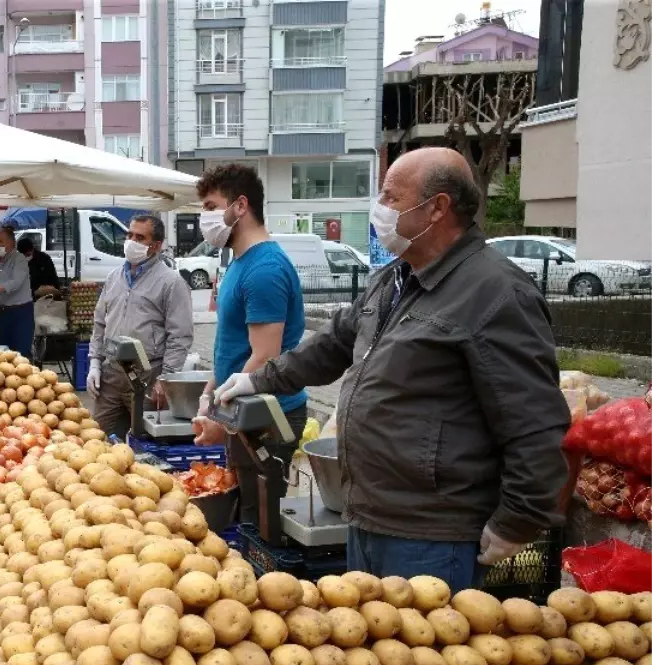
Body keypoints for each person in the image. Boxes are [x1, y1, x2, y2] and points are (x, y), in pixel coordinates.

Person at [209, 147, 570, 591]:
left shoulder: (495, 293)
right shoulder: (395, 279)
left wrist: (518, 519)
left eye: (391, 197)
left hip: (433, 533)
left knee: (421, 657)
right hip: (367, 516)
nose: (378, 209)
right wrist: (258, 378)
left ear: (438, 208)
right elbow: (332, 345)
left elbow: (534, 422)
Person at [191, 165, 309, 527]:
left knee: (259, 524)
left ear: (240, 206)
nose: (204, 218)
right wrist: (211, 391)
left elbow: (264, 359)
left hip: (265, 418)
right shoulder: (240, 264)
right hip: (243, 410)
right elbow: (235, 347)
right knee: (243, 511)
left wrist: (221, 419)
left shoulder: (264, 270)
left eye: (211, 206)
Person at [87, 215, 194, 438]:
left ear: (156, 245)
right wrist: (95, 364)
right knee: (96, 438)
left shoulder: (171, 282)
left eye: (139, 237)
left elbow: (180, 336)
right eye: (129, 235)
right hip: (111, 374)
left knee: (143, 443)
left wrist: (165, 379)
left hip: (147, 377)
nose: (131, 241)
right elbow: (99, 323)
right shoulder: (114, 277)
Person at [0, 226, 35, 357]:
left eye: (1, 242)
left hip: (22, 312)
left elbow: (16, 282)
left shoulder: (19, 259)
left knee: (21, 353)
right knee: (3, 352)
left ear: (12, 243)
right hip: (4, 312)